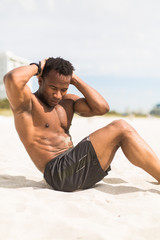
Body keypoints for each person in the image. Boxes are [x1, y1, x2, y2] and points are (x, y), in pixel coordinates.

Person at [3, 57, 160, 192]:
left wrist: (75, 80)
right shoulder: (28, 104)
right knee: (121, 127)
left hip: (77, 168)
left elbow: (102, 107)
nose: (58, 95)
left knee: (123, 131)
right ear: (40, 80)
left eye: (63, 89)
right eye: (53, 88)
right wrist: (38, 66)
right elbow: (11, 79)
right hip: (59, 174)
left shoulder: (67, 102)